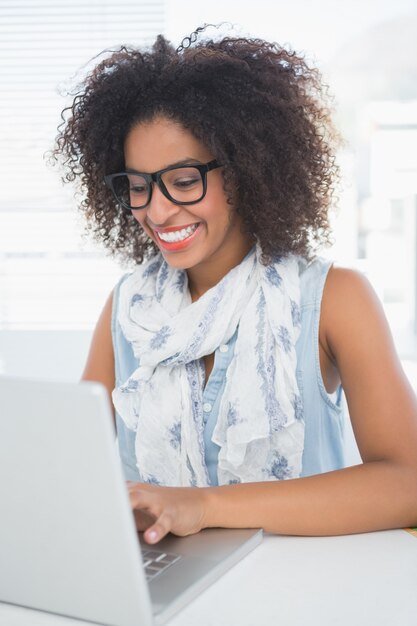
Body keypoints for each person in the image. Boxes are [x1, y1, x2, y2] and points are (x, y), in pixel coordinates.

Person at [53, 26, 417, 545]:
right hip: (163, 592)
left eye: (183, 181)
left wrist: (202, 506)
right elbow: (72, 475)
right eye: (137, 187)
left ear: (246, 170)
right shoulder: (127, 309)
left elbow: (407, 482)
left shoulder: (335, 299)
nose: (156, 211)